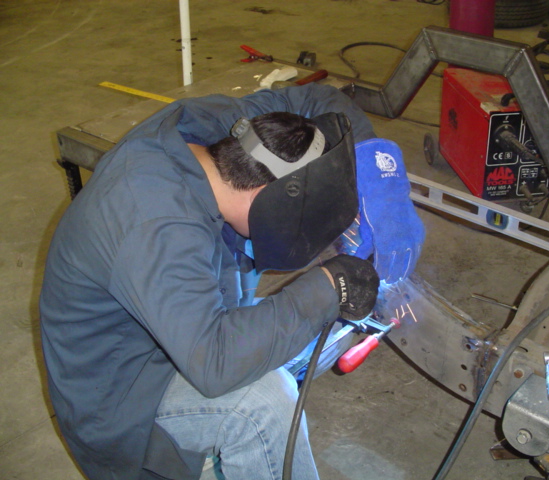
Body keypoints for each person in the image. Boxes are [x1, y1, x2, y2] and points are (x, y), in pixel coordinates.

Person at [39, 83, 424, 480]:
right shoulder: (159, 226)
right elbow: (215, 363)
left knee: (268, 312)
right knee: (264, 403)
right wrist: (328, 286)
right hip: (122, 394)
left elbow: (316, 98)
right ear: (269, 196)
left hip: (169, 323)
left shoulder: (228, 134)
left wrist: (380, 175)